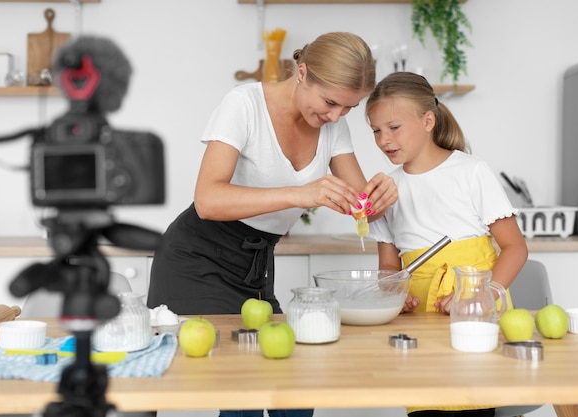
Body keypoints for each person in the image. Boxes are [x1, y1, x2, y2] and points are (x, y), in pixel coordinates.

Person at [147, 32, 397, 417]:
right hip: (196, 258)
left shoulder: (333, 127)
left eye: (348, 108)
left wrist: (379, 196)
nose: (334, 117)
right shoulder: (244, 105)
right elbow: (208, 200)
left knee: (293, 389)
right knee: (243, 388)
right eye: (330, 102)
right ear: (302, 72)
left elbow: (360, 205)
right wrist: (299, 194)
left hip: (256, 264)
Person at [365, 72, 528, 417]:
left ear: (427, 120)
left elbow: (515, 248)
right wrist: (394, 292)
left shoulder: (471, 172)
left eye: (393, 127)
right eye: (376, 130)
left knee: (473, 398)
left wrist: (485, 293)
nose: (383, 140)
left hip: (474, 310)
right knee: (426, 402)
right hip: (420, 316)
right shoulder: (385, 190)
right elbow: (389, 266)